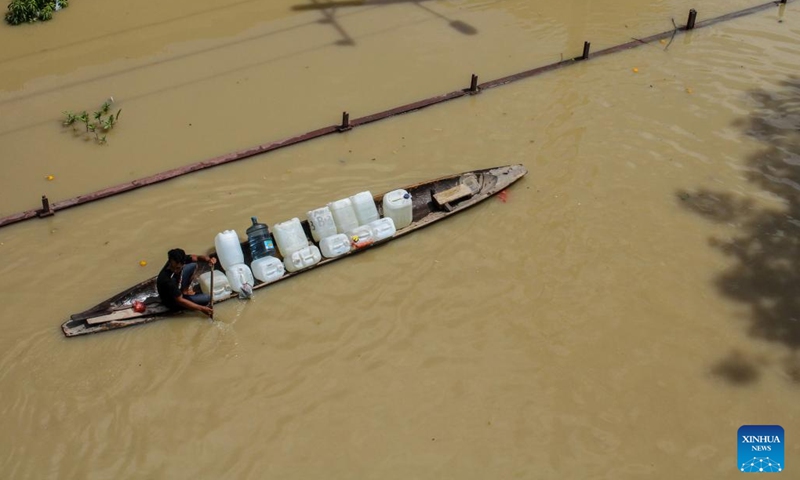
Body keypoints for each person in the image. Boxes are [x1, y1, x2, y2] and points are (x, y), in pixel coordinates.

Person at [156, 248, 216, 317]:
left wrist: (209, 259)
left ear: (183, 263)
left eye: (178, 268)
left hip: (176, 288)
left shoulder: (180, 260)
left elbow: (197, 257)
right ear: (169, 262)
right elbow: (180, 301)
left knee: (192, 266)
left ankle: (185, 291)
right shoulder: (168, 280)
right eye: (172, 267)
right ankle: (184, 295)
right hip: (173, 301)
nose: (175, 270)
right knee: (207, 298)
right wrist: (201, 308)